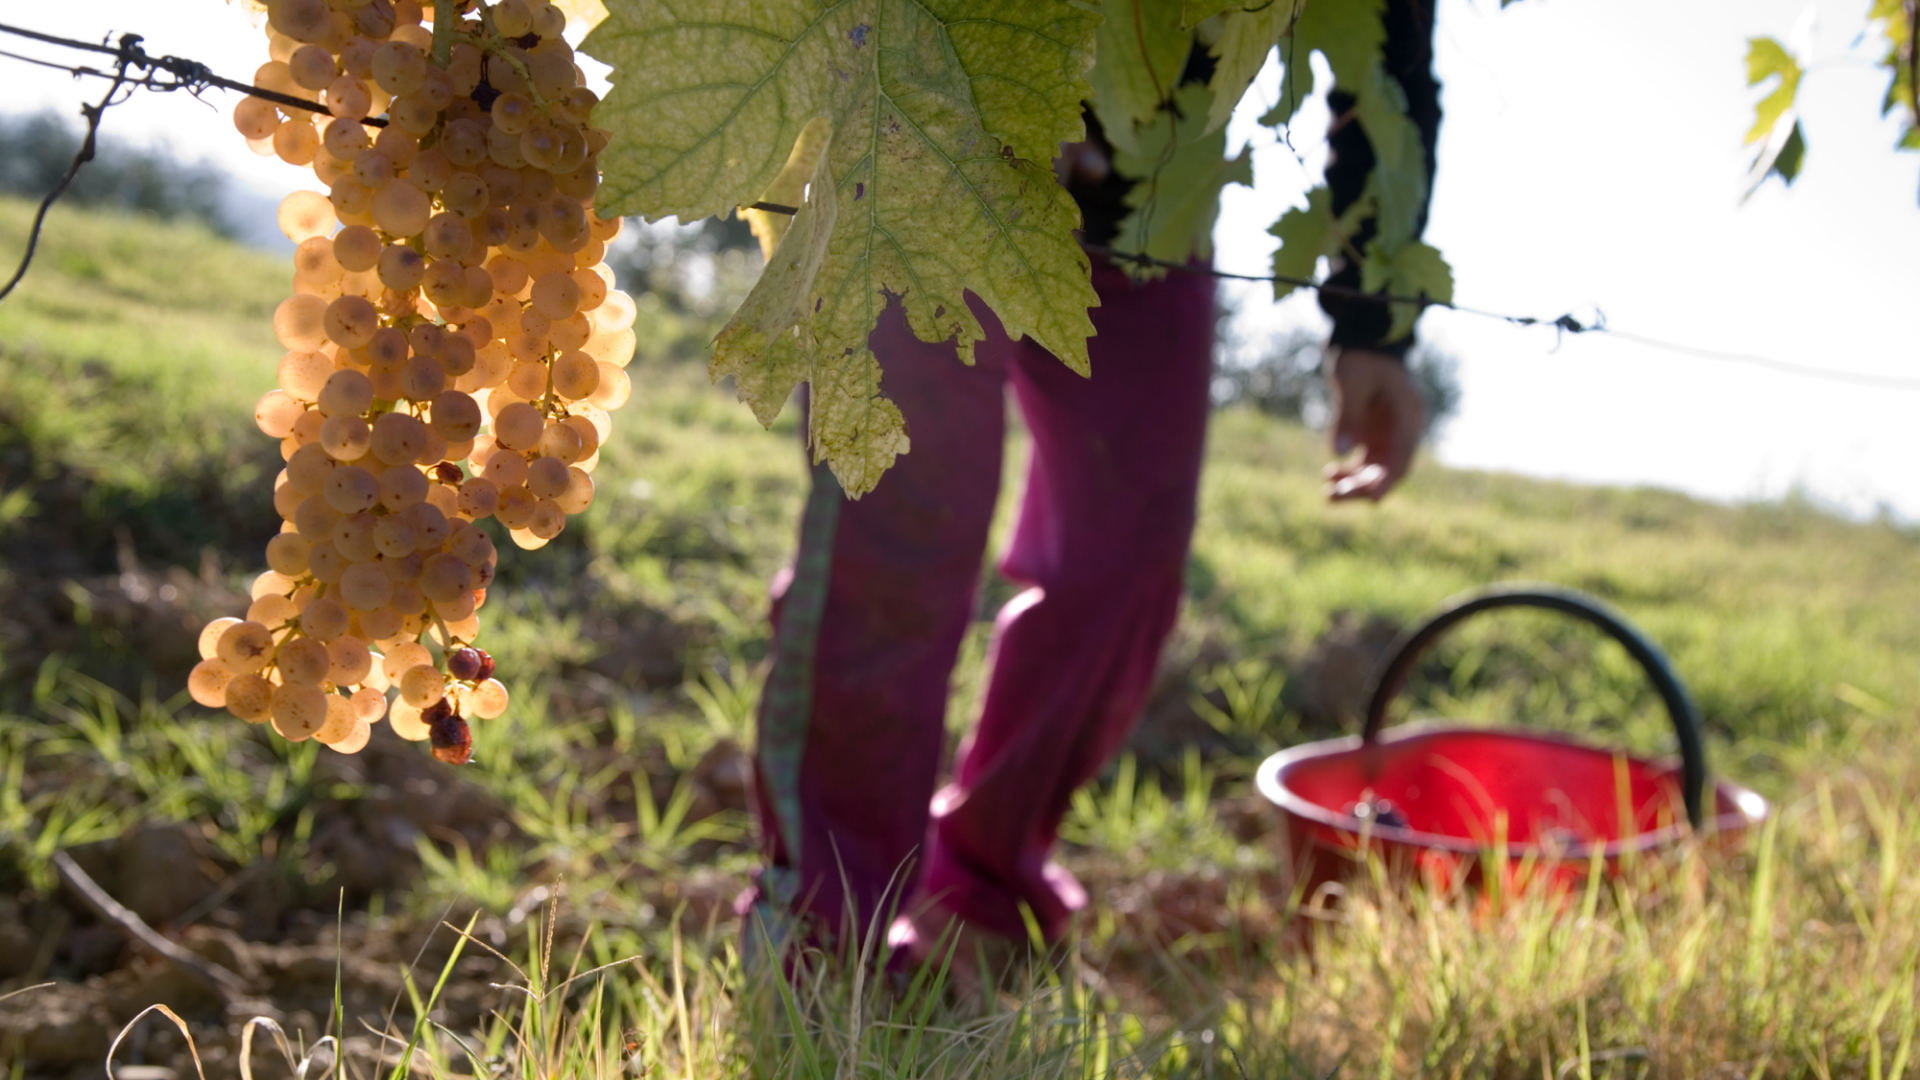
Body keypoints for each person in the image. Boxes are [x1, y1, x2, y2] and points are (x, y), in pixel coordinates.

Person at [737, 0, 1443, 973]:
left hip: (1150, 208)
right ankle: (824, 927)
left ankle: (982, 894)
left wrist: (1375, 323)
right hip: (930, 148)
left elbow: (1388, 44)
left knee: (1127, 559)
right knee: (893, 535)